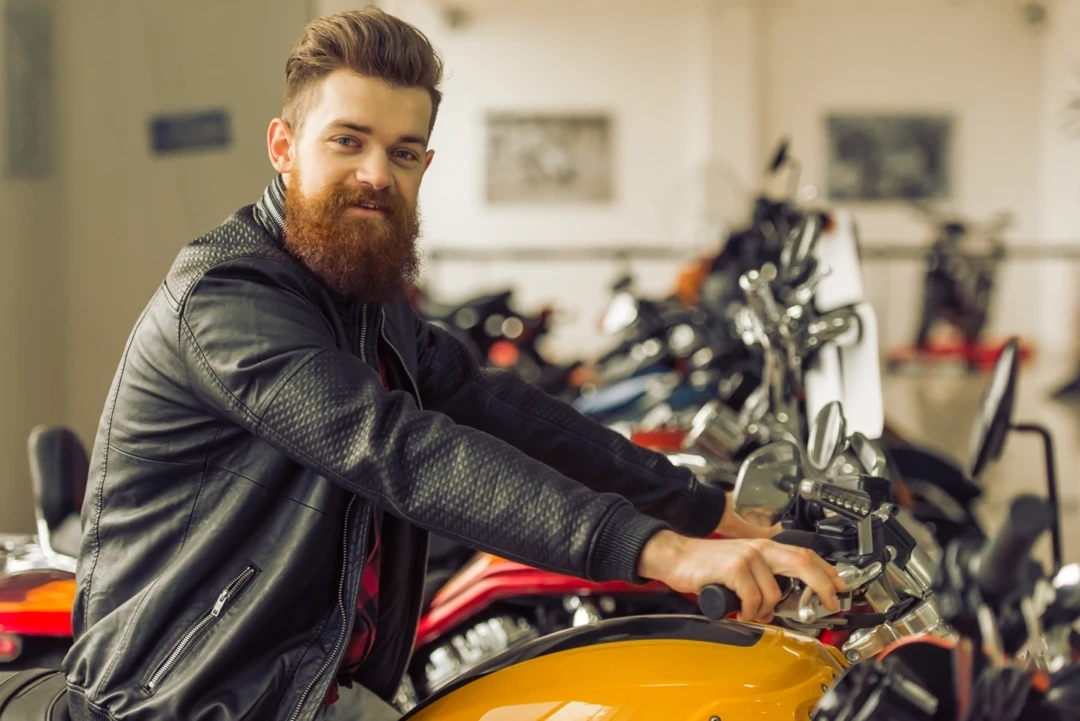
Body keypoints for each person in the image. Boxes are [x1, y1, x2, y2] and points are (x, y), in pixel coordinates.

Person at [64, 8, 844, 721]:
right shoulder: (227, 296)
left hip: (300, 683)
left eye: (402, 152)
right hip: (190, 696)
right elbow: (397, 447)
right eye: (348, 140)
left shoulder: (361, 296)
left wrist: (708, 511)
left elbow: (494, 406)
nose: (377, 174)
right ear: (283, 147)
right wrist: (664, 552)